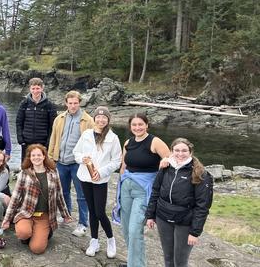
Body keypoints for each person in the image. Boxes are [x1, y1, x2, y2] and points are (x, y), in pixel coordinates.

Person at [145, 138, 213, 267]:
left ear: (190, 152)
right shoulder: (165, 167)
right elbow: (155, 191)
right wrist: (150, 215)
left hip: (184, 222)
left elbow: (202, 206)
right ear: (171, 151)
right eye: (176, 150)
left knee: (180, 262)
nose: (180, 154)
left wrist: (195, 232)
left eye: (184, 151)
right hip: (163, 217)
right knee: (168, 258)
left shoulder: (200, 173)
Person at [116, 113, 170, 267]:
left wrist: (164, 165)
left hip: (144, 189)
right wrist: (120, 186)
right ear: (130, 126)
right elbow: (123, 166)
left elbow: (170, 160)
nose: (137, 127)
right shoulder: (128, 142)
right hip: (126, 187)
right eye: (134, 125)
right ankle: (132, 262)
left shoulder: (155, 142)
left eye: (140, 124)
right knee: (126, 228)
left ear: (147, 125)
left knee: (135, 230)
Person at [2, 144, 72, 254]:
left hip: (43, 216)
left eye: (39, 155)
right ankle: (29, 232)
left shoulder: (53, 172)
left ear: (44, 156)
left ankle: (44, 232)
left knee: (37, 249)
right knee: (23, 233)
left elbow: (59, 195)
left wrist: (65, 215)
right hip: (26, 213)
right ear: (30, 157)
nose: (36, 157)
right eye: (33, 155)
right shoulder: (24, 173)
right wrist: (7, 219)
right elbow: (15, 198)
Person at [73, 106, 121, 258]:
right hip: (85, 177)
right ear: (94, 119)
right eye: (98, 117)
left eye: (104, 118)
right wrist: (83, 159)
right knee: (92, 211)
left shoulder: (113, 138)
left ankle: (110, 240)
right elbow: (76, 152)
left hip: (100, 179)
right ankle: (94, 241)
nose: (101, 120)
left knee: (100, 212)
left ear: (108, 120)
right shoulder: (87, 134)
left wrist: (101, 172)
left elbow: (116, 161)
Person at [48, 90, 94, 237]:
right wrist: (50, 157)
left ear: (79, 103)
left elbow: (93, 143)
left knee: (81, 194)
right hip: (61, 161)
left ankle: (82, 224)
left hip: (78, 163)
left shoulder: (88, 121)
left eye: (75, 103)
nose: (73, 106)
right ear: (66, 103)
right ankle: (65, 215)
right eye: (70, 103)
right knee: (63, 191)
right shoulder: (60, 118)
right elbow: (54, 138)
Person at [16, 77, 57, 163]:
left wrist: (48, 142)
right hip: (26, 142)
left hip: (42, 143)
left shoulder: (49, 105)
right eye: (33, 88)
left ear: (42, 88)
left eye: (38, 88)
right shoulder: (24, 104)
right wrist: (20, 139)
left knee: (41, 167)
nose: (35, 91)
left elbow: (53, 126)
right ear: (29, 89)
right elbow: (19, 122)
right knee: (26, 167)